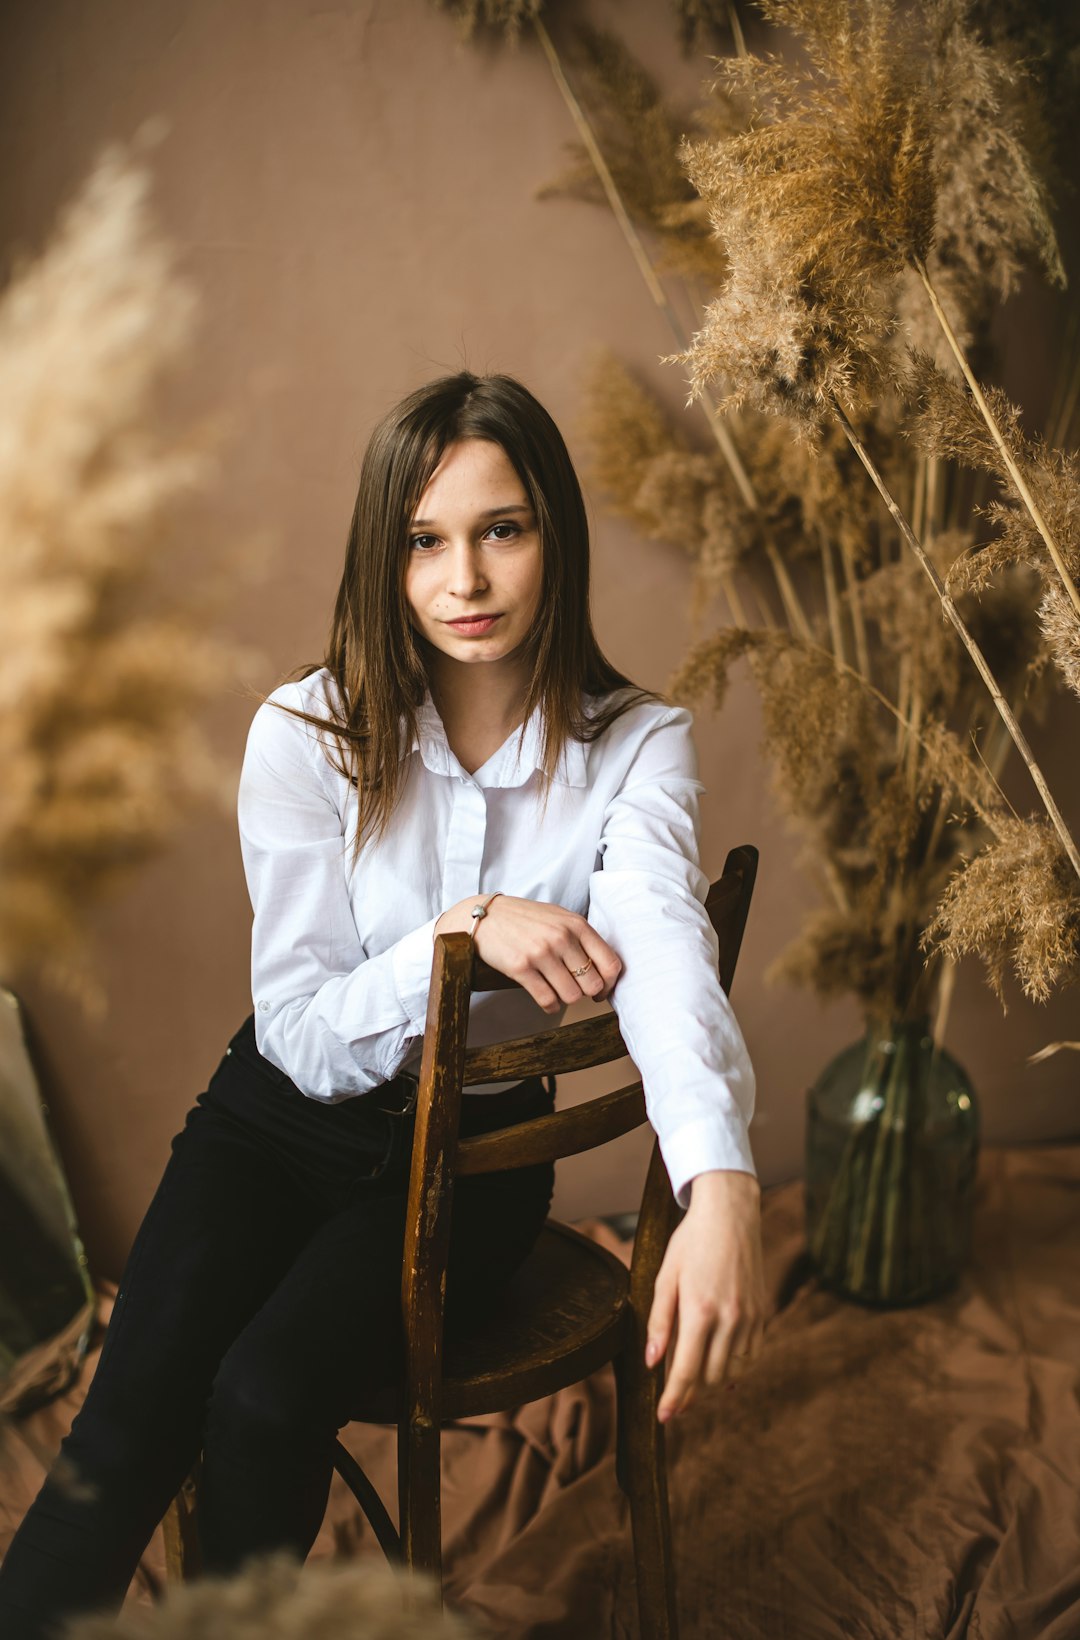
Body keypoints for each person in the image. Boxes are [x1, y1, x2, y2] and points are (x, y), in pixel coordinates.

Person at [0, 372, 766, 1638]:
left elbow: (671, 950)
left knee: (259, 1395)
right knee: (126, 1422)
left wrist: (720, 1179)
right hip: (279, 1119)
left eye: (501, 529)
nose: (464, 577)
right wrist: (455, 938)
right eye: (424, 539)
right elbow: (299, 1031)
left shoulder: (637, 745)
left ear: (554, 536)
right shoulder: (304, 733)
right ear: (385, 554)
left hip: (473, 1157)